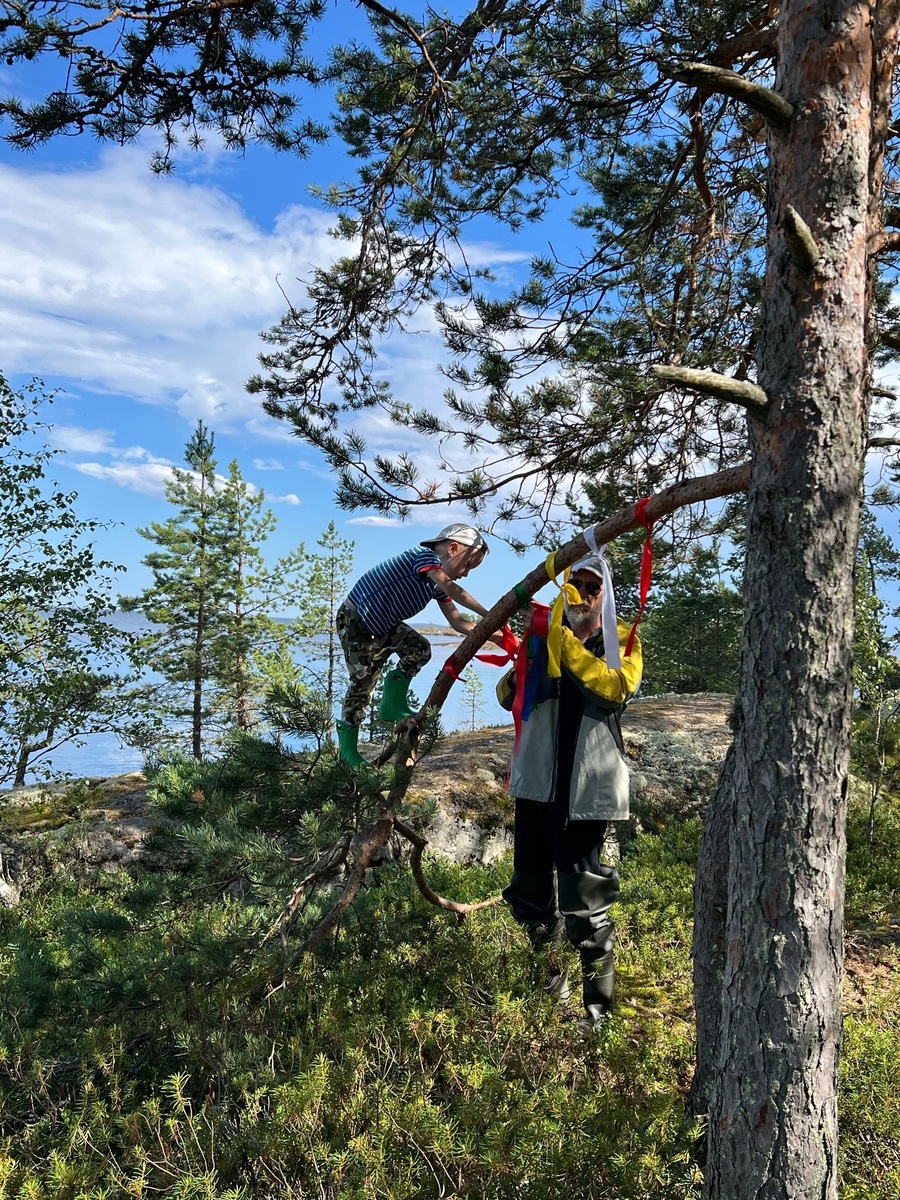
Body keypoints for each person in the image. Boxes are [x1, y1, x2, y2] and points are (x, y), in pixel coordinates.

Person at [496, 553, 642, 1035]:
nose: (580, 594)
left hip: (584, 794)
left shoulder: (622, 641)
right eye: (574, 584)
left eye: (591, 587)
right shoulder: (546, 637)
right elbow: (506, 695)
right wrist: (530, 653)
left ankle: (597, 1015)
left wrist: (564, 641)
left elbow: (614, 690)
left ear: (607, 596)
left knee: (584, 901)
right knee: (530, 894)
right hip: (536, 786)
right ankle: (548, 983)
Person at [336, 523, 503, 765]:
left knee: (420, 648)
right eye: (468, 564)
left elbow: (458, 622)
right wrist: (491, 614)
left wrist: (495, 635)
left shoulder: (435, 584)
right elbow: (452, 588)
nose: (466, 572)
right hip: (354, 620)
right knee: (363, 679)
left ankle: (391, 703)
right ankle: (348, 752)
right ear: (453, 548)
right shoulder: (422, 557)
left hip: (384, 626)